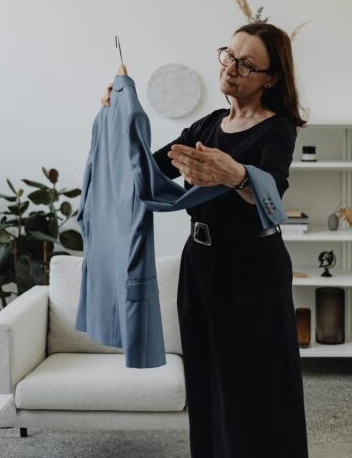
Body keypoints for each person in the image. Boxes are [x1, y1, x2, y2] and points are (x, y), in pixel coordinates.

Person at [101, 22, 309, 457]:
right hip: (199, 266)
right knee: (204, 381)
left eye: (247, 64)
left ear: (271, 78)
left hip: (252, 269)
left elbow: (272, 191)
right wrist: (116, 116)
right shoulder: (208, 125)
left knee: (250, 389)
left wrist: (235, 175)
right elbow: (148, 171)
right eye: (229, 55)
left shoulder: (278, 128)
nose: (231, 68)